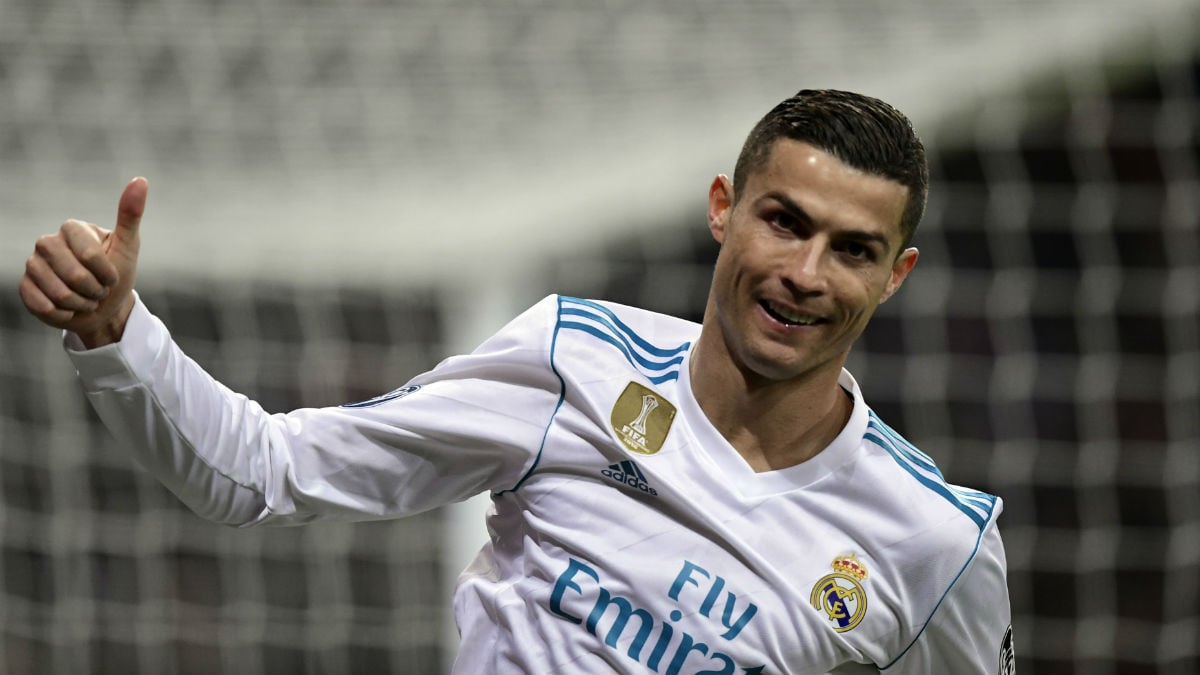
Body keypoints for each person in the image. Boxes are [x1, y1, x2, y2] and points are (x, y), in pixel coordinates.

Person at [19, 89, 1013, 674]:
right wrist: (118, 334)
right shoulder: (572, 363)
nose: (804, 274)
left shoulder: (938, 544)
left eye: (852, 249)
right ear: (724, 209)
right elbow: (264, 474)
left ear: (896, 275)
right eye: (784, 222)